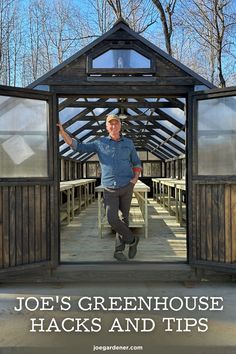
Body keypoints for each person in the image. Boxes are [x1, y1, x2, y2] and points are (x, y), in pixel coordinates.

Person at [57, 114, 142, 261]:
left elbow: (136, 162)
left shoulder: (129, 143)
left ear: (120, 125)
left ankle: (118, 250)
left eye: (116, 123)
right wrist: (63, 133)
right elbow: (79, 147)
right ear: (107, 127)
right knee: (112, 219)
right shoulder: (100, 143)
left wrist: (134, 179)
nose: (113, 126)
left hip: (127, 186)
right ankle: (133, 240)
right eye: (111, 124)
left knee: (124, 219)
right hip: (109, 188)